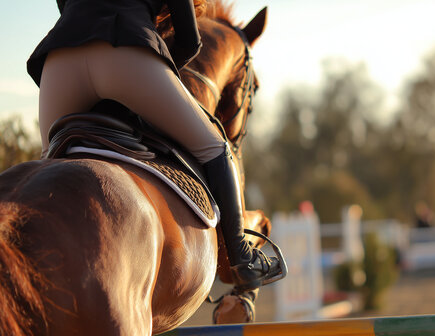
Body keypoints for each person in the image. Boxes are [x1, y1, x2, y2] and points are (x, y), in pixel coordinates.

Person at [27, 0, 282, 291]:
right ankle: (243, 260)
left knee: (46, 169)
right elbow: (188, 39)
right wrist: (160, 74)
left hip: (59, 61)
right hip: (124, 52)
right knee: (215, 147)